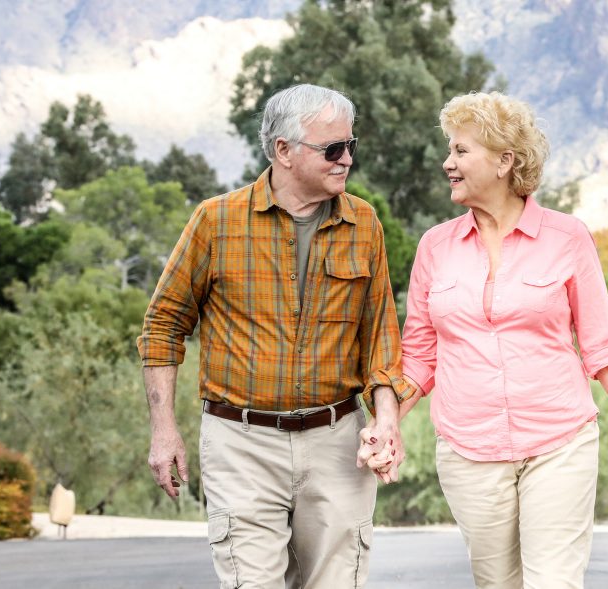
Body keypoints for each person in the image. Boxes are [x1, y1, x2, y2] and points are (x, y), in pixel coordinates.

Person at [358, 91, 608, 588]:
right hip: (468, 449)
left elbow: (603, 347)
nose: (448, 163)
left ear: (505, 161)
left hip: (559, 442)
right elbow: (419, 356)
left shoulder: (567, 238)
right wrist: (387, 422)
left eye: (461, 151)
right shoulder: (434, 247)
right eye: (450, 150)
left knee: (552, 582)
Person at [138, 83, 414, 588]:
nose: (346, 159)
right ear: (283, 150)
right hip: (240, 443)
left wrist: (388, 419)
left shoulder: (364, 224)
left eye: (351, 145)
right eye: (332, 148)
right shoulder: (214, 221)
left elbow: (381, 336)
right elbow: (163, 327)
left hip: (337, 443)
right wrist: (163, 430)